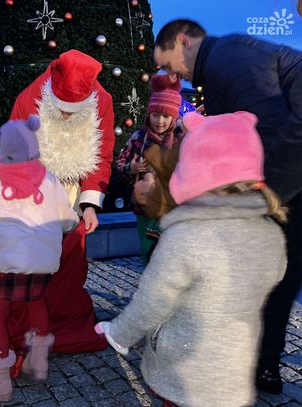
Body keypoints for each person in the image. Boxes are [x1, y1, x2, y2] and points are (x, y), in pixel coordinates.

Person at [97, 111, 287, 407]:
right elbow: (276, 274)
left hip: (182, 376)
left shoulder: (185, 236)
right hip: (234, 375)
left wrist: (120, 333)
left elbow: (153, 301)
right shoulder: (270, 233)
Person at [153, 19, 302, 394]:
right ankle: (261, 366)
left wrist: (260, 196)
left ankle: (249, 364)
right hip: (291, 181)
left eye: (169, 64)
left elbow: (269, 130)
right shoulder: (229, 55)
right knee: (279, 277)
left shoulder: (227, 59)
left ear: (183, 42)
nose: (173, 75)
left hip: (288, 185)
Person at [0, 116, 79, 402]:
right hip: (41, 263)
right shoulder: (51, 181)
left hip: (5, 262)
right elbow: (68, 220)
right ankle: (38, 359)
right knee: (36, 304)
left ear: (1, 145)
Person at [7, 48, 114, 353]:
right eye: (62, 108)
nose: (66, 115)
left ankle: (62, 321)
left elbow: (101, 155)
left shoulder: (102, 102)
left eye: (73, 110)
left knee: (70, 264)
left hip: (73, 193)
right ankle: (27, 326)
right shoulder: (29, 99)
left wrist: (89, 205)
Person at [115, 73, 183, 263]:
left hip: (173, 209)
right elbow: (119, 165)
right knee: (149, 253)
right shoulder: (138, 137)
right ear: (149, 114)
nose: (160, 121)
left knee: (172, 256)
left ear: (173, 117)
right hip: (144, 208)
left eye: (166, 116)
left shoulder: (182, 140)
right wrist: (131, 168)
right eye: (155, 115)